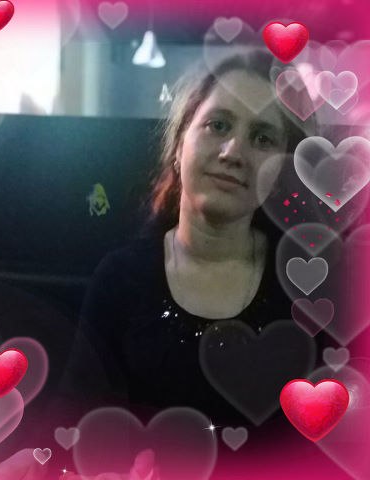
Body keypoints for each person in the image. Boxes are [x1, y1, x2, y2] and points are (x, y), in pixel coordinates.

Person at [59, 49, 324, 431]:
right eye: (218, 125)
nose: (233, 152)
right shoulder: (120, 279)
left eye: (262, 138)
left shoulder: (308, 293)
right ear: (179, 144)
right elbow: (74, 426)